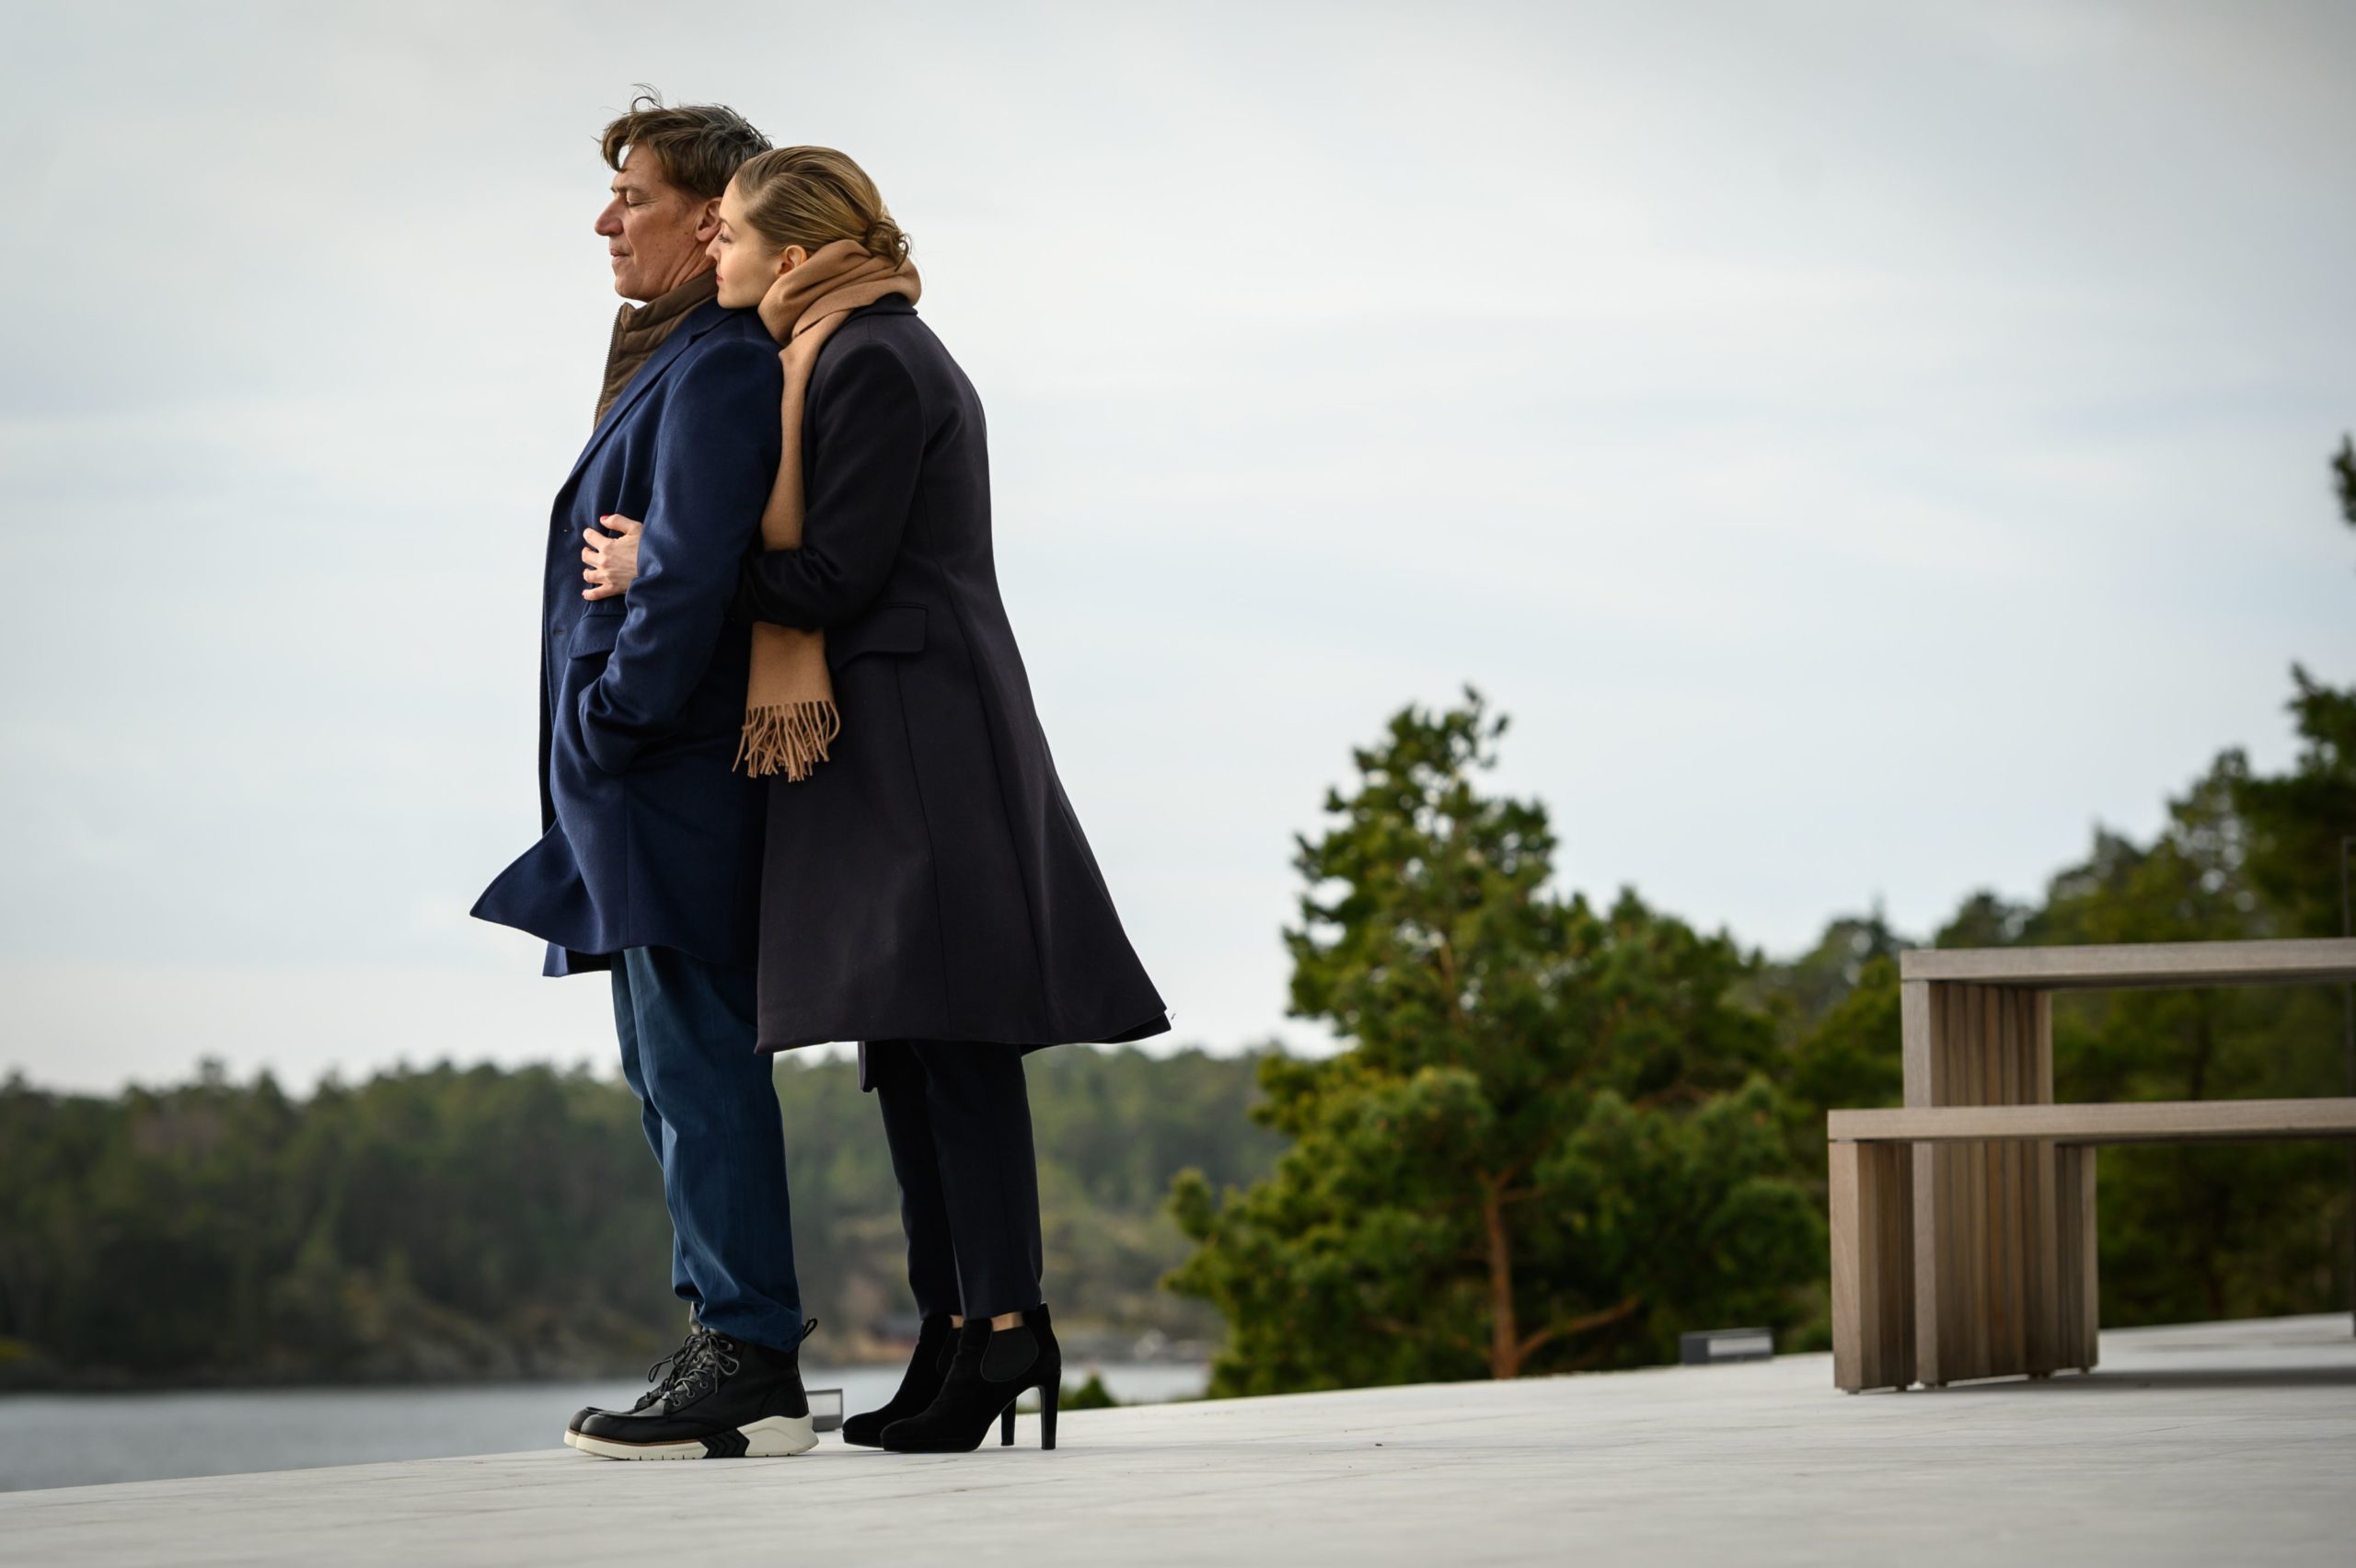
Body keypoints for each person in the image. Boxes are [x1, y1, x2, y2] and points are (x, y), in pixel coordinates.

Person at [586, 145, 1169, 1453]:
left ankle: (1002, 1326)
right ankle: (955, 1328)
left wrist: (664, 565)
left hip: (922, 730)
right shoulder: (838, 351)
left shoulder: (873, 360)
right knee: (907, 1046)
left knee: (953, 1043)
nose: (718, 253)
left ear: (792, 255)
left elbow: (837, 576)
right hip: (890, 732)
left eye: (734, 235)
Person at [468, 94, 825, 1461]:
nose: (606, 221)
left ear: (710, 215)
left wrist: (615, 720)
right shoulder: (668, 357)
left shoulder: (720, 363)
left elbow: (685, 575)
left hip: (666, 778)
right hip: (632, 785)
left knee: (696, 1065)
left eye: (636, 197)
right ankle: (720, 1339)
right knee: (665, 1071)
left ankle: (748, 1357)